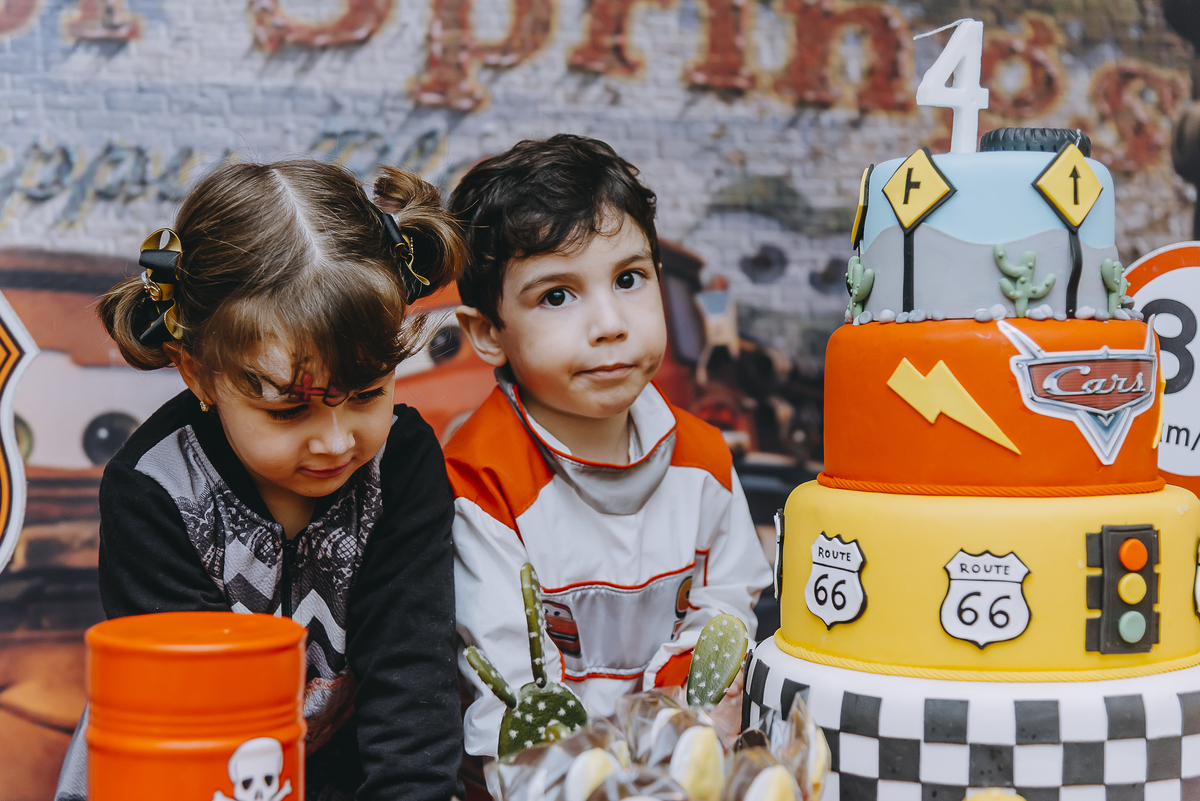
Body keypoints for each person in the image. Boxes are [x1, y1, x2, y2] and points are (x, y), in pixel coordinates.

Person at [54, 160, 467, 801]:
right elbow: (192, 723)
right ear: (198, 373)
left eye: (366, 393)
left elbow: (411, 678)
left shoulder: (401, 462)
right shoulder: (153, 489)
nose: (336, 441)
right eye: (287, 410)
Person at [445, 134, 772, 758]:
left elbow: (725, 610)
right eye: (556, 295)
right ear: (487, 332)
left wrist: (672, 735)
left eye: (628, 279)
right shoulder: (479, 479)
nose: (611, 325)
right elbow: (511, 685)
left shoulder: (704, 457)